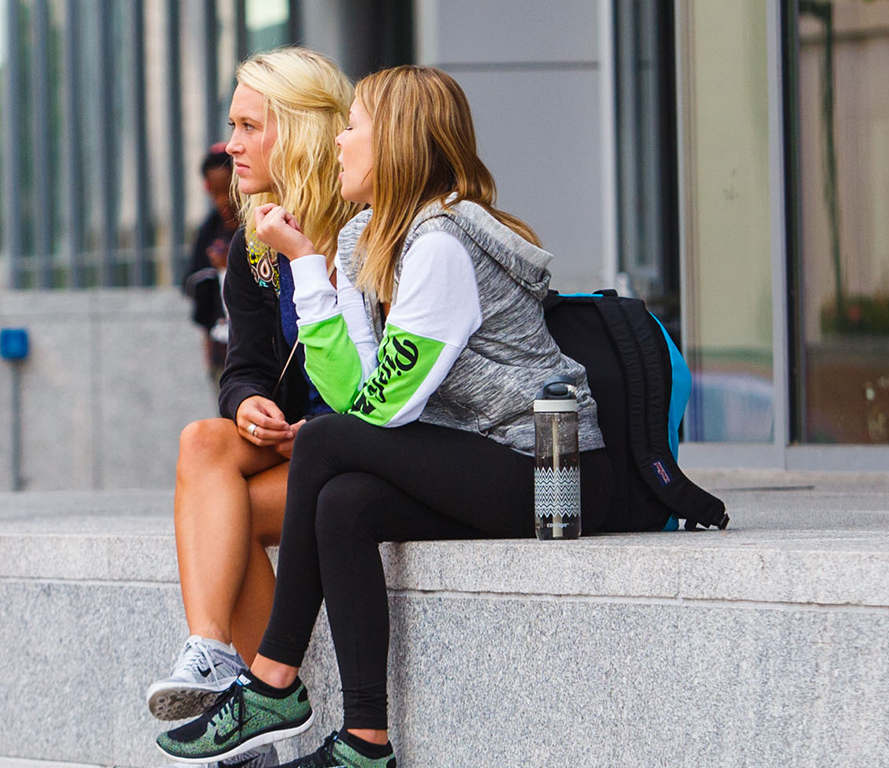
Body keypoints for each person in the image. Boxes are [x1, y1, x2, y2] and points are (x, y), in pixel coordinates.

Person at [156, 66, 614, 768]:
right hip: (471, 453)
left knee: (332, 446)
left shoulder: (440, 245)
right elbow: (354, 389)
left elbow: (383, 407)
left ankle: (273, 679)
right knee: (341, 501)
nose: (340, 140)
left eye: (353, 127)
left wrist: (307, 273)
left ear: (394, 141)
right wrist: (309, 262)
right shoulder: (370, 238)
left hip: (545, 467)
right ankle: (366, 744)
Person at [147, 47, 362, 768]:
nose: (231, 144)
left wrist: (328, 433)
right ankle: (210, 656)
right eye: (231, 124)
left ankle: (253, 706)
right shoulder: (254, 242)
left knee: (222, 505)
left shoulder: (370, 228)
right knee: (205, 443)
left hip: (370, 449)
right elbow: (243, 369)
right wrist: (247, 407)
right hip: (298, 446)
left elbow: (396, 381)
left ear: (298, 130)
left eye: (247, 125)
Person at [184, 144, 241, 383]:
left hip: (253, 351)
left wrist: (232, 265)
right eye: (215, 193)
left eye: (227, 190)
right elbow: (196, 290)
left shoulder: (255, 228)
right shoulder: (208, 232)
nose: (223, 200)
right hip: (221, 351)